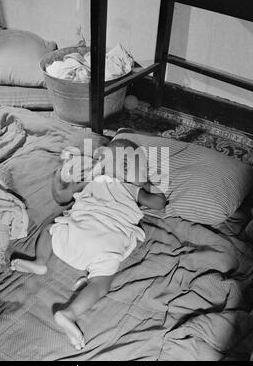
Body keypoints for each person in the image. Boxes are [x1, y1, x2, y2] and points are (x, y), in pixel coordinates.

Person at [11, 139, 166, 350]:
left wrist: (59, 176)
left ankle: (40, 261)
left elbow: (61, 196)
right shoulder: (132, 189)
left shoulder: (94, 179)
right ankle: (69, 313)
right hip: (106, 241)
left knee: (51, 227)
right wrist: (146, 185)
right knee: (100, 282)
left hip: (77, 233)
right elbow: (160, 203)